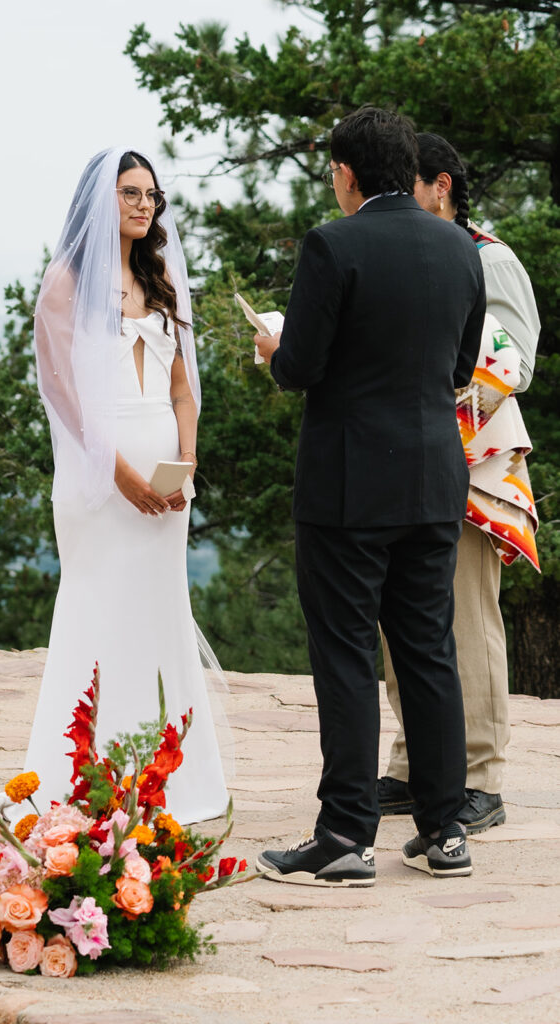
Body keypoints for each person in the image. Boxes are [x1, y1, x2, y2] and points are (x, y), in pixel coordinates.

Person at [253, 107, 486, 886]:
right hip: (433, 479)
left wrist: (274, 348)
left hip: (348, 487)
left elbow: (300, 368)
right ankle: (446, 831)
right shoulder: (459, 247)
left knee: (347, 655)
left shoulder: (333, 244)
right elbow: (459, 368)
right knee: (428, 653)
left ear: (346, 173)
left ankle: (345, 836)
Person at [24, 147, 229, 825]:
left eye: (151, 195)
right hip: (99, 481)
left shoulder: (160, 275)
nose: (144, 205)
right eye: (129, 193)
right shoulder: (65, 282)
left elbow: (182, 389)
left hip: (167, 480)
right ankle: (84, 777)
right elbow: (62, 394)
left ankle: (168, 777)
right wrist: (120, 474)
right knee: (98, 608)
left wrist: (186, 460)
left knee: (159, 607)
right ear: (99, 199)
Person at [377, 132, 540, 834]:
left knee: (466, 617)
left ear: (439, 186)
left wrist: (436, 391)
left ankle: (480, 776)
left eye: (406, 184)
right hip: (404, 453)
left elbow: (515, 361)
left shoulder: (488, 256)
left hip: (472, 460)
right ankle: (414, 763)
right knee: (401, 618)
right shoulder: (402, 253)